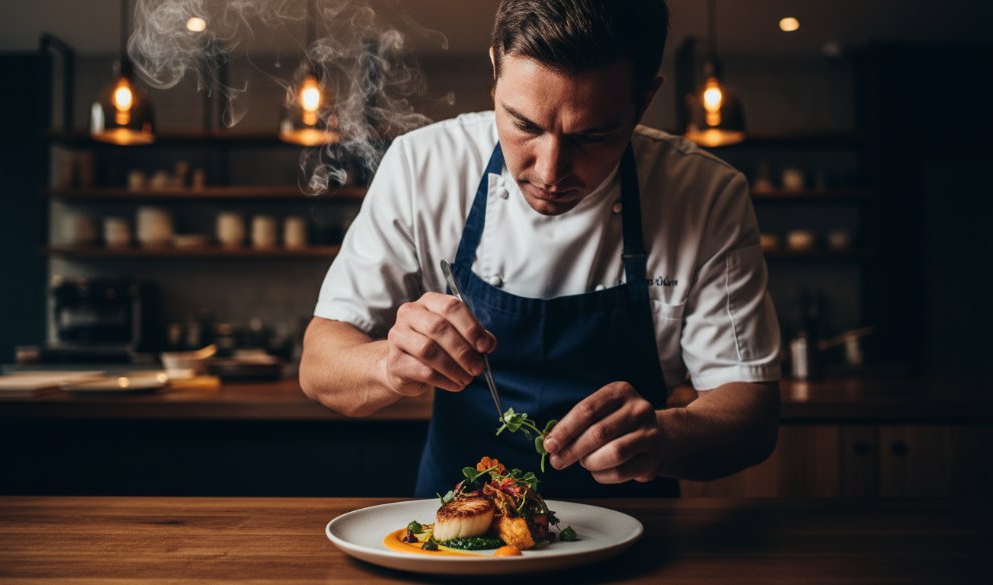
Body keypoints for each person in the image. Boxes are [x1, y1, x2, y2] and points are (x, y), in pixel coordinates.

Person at [300, 0, 781, 498]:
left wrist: (665, 439)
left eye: (592, 135)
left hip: (637, 533)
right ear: (495, 70)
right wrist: (388, 365)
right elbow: (320, 364)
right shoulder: (424, 167)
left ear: (644, 99)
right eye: (524, 125)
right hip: (455, 534)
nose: (550, 172)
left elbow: (750, 413)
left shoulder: (703, 194)